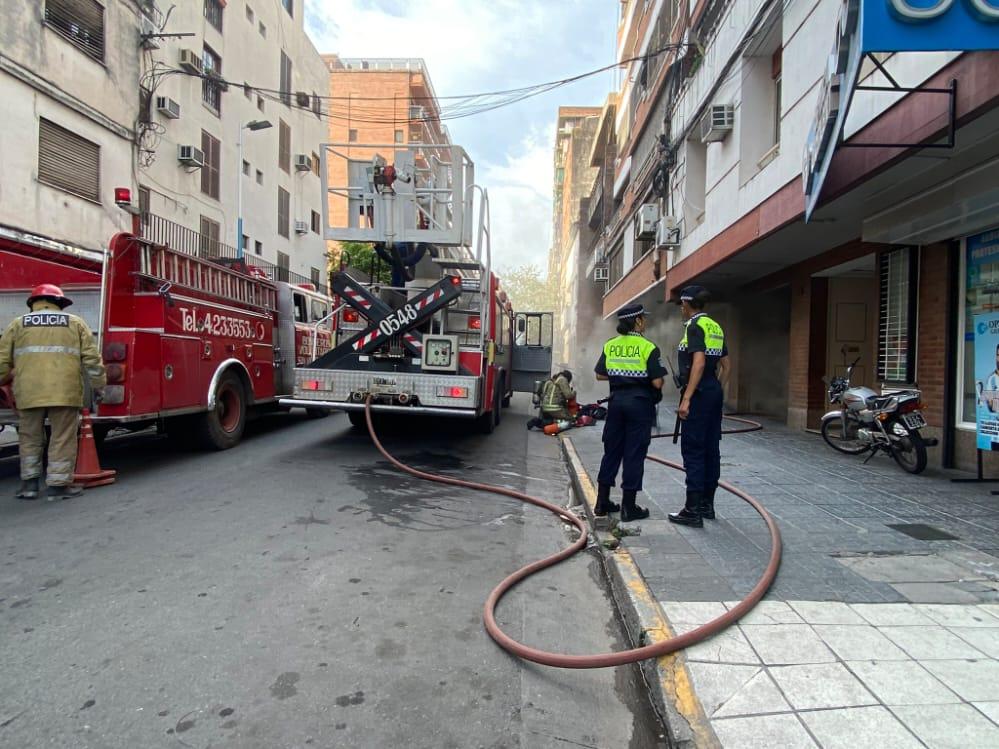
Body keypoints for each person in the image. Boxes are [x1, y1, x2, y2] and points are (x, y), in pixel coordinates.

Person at [0, 284, 106, 501]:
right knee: (62, 437)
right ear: (60, 304)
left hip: (28, 393)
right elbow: (92, 360)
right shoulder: (75, 323)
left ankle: (29, 485)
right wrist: (99, 385)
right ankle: (57, 487)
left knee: (29, 438)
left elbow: (2, 362)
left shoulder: (17, 325)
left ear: (33, 304)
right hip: (64, 393)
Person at [594, 304, 666, 520]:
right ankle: (628, 508)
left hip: (616, 403)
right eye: (644, 318)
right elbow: (658, 382)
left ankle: (602, 502)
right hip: (640, 405)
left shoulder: (611, 345)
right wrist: (639, 378)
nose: (646, 321)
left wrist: (620, 376)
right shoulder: (648, 347)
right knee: (634, 454)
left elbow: (599, 374)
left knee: (611, 452)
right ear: (638, 321)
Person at [668, 285, 729, 528]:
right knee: (711, 449)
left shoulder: (694, 326)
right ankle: (707, 505)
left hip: (700, 394)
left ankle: (692, 510)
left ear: (687, 304)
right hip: (713, 392)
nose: (681, 309)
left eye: (682, 305)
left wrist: (687, 398)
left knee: (693, 449)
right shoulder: (715, 326)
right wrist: (717, 390)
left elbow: (699, 363)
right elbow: (727, 365)